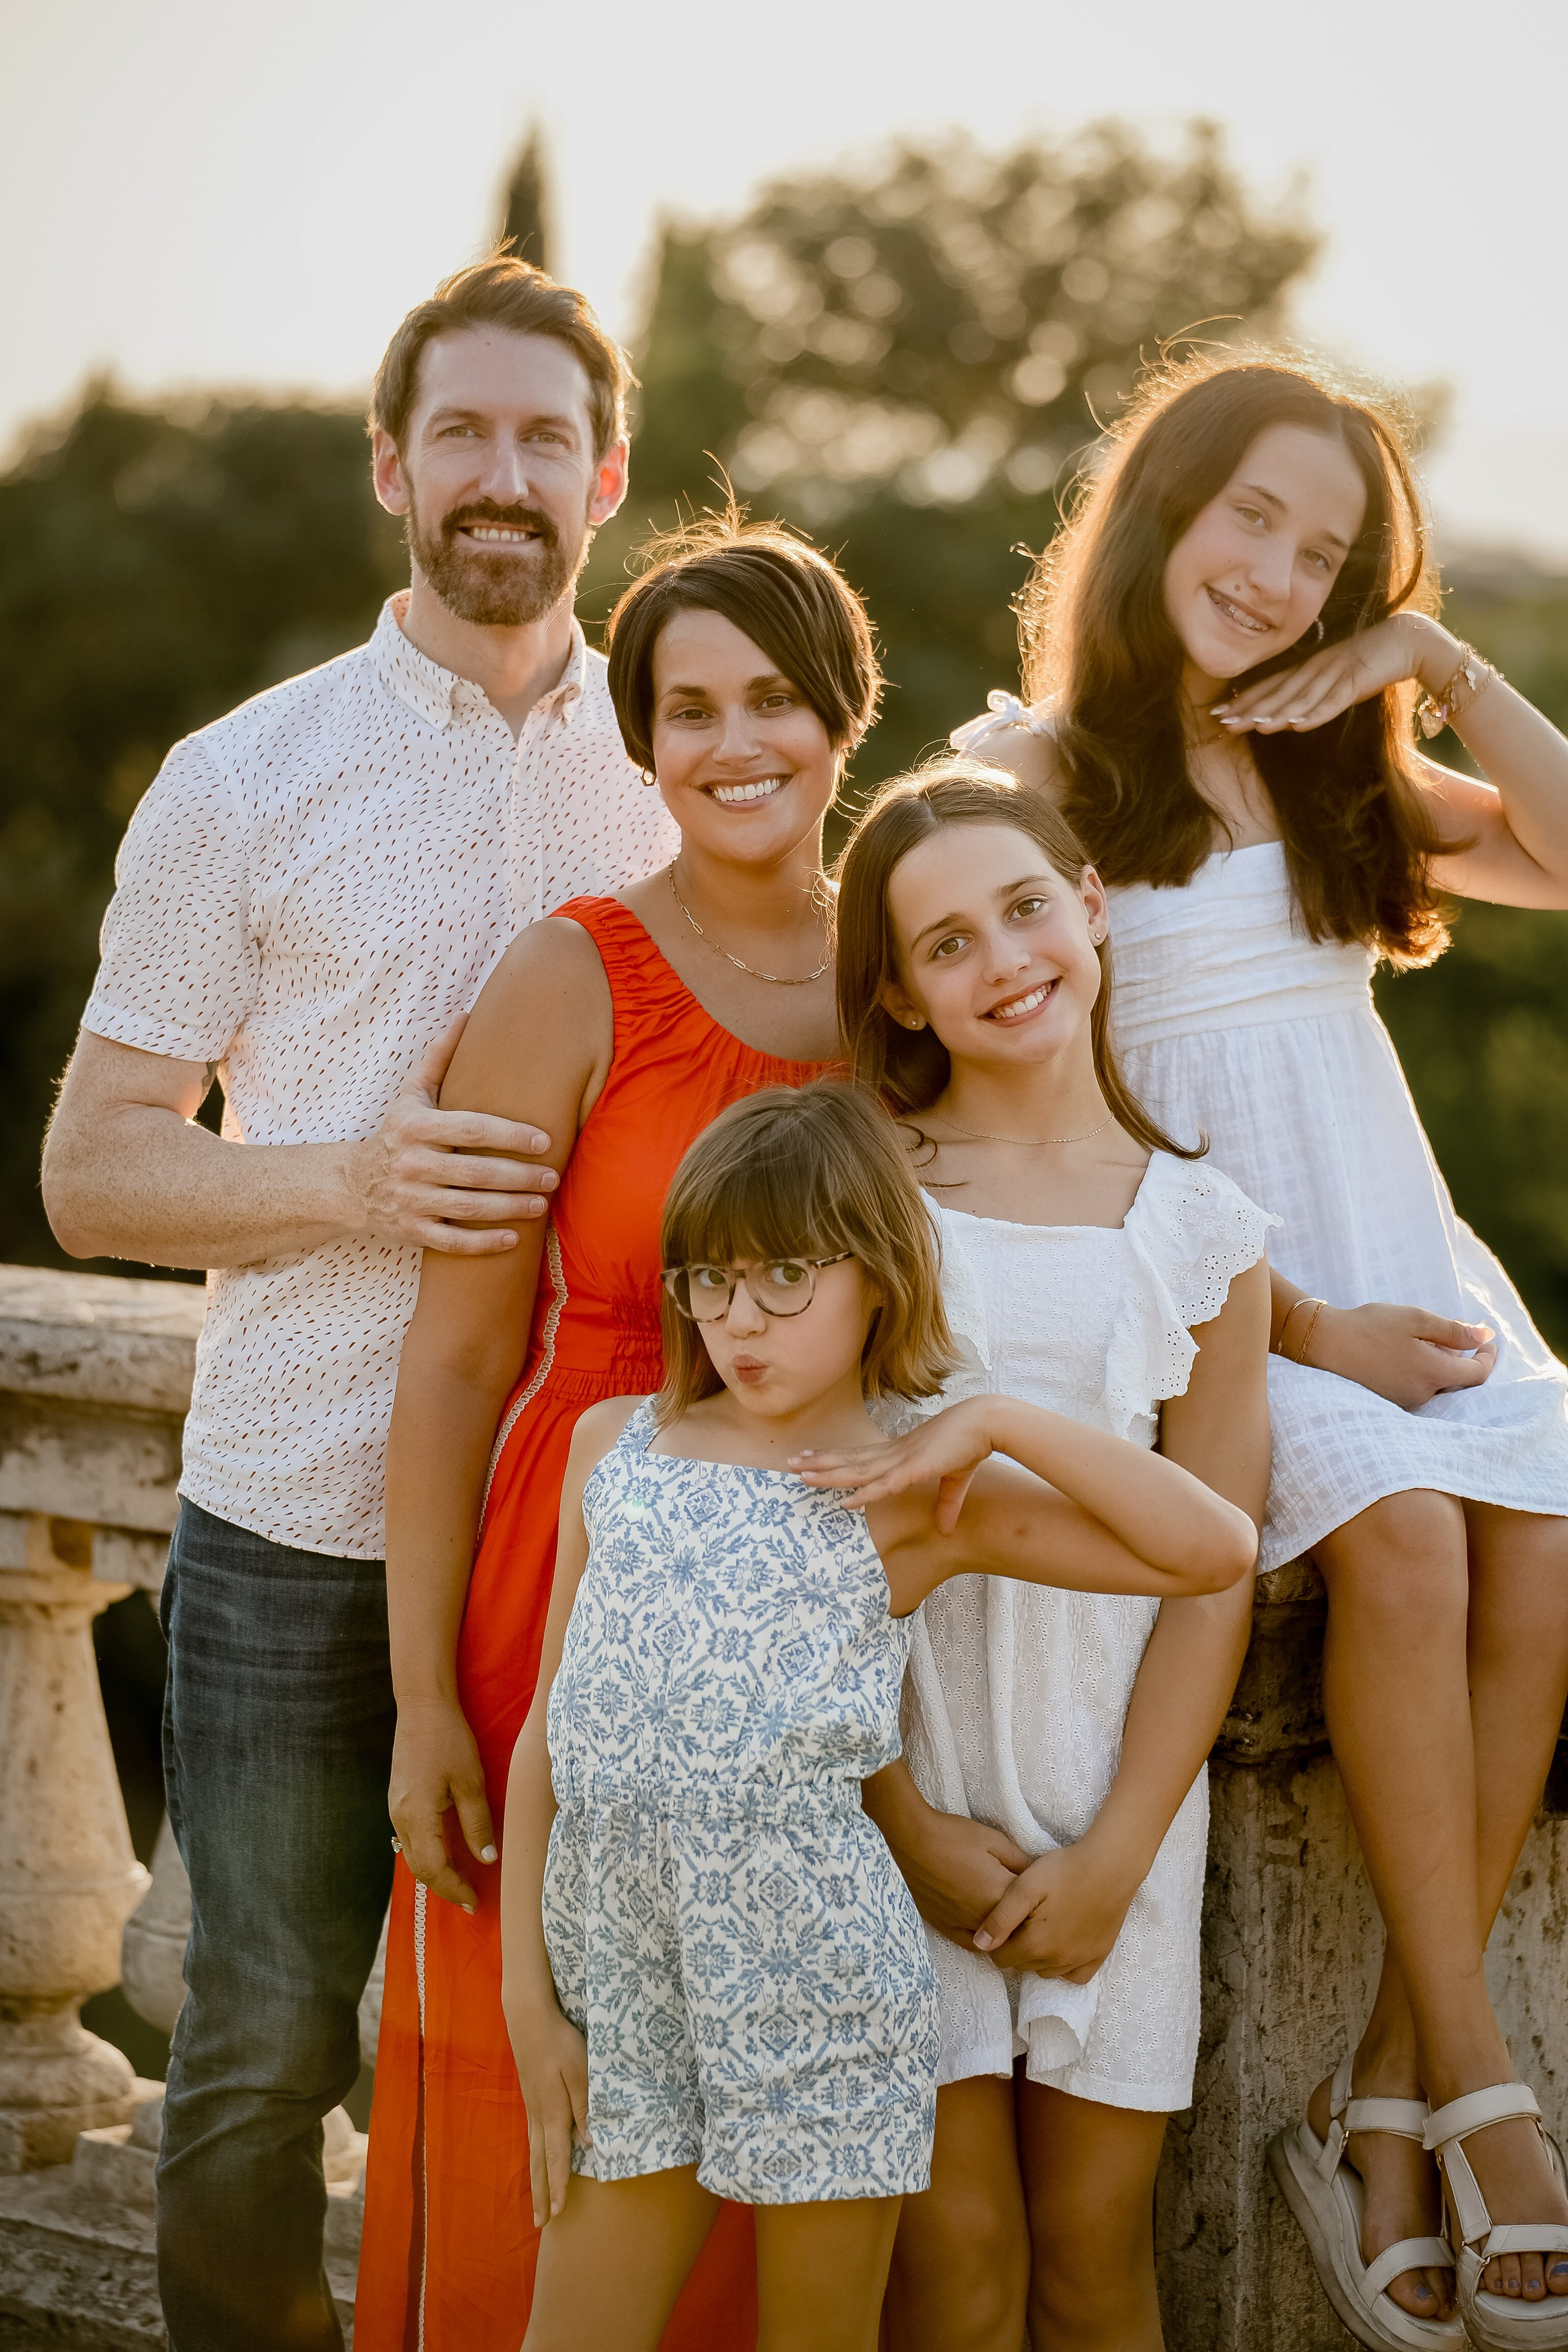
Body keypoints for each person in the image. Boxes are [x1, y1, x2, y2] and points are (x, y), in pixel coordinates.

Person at [38, 252, 680, 2352]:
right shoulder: (245, 775)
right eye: (466, 434)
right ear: (395, 465)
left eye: (547, 439)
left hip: (596, 1534)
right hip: (298, 1512)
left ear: (608, 476)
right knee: (258, 2043)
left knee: (568, 2041)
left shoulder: (692, 764)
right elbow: (92, 1165)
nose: (506, 476)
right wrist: (348, 1179)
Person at [954, 350, 1568, 2351]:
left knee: (1538, 1545)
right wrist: (1312, 1328)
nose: (1280, 576)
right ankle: (1488, 2098)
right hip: (1230, 1302)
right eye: (1255, 523)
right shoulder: (1036, 780)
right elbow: (1049, 1112)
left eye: (1327, 556)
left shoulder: (1333, 765)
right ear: (1163, 510)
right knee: (1399, 1541)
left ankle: (1391, 2093)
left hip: (1406, 1255)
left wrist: (1435, 661)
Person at [500, 1080, 1259, 2352]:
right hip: (628, 1988)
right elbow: (549, 1737)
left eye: (786, 1275)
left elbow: (1211, 1547)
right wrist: (533, 2004)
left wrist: (999, 1420)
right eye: (710, 1279)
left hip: (823, 1996)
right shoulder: (610, 1449)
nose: (740, 1319)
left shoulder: (911, 1493)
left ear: (877, 1276)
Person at [356, 515, 880, 2350]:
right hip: (574, 1581)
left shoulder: (908, 975)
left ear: (844, 714)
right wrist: (425, 1697)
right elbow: (450, 1362)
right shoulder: (566, 975)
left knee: (793, 2117)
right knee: (564, 2119)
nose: (736, 742)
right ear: (642, 745)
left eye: (773, 699)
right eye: (687, 708)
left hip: (834, 1586)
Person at [832, 765, 1272, 2352]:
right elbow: (815, 1523)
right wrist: (901, 1823)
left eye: (1025, 906)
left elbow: (1214, 1573)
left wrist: (1120, 1854)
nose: (1002, 957)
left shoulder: (1207, 1231)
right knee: (951, 2274)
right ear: (897, 990)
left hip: (1116, 1808)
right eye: (946, 943)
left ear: (1088, 908)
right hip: (896, 1792)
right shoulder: (865, 1192)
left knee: (1095, 2263)